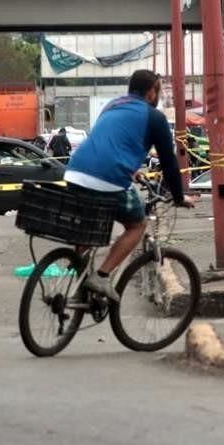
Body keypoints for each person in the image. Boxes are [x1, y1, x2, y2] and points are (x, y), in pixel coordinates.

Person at [65, 70, 196, 301]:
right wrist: (178, 197)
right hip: (108, 178)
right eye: (159, 90)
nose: (160, 96)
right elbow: (168, 162)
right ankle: (102, 276)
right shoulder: (154, 117)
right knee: (137, 225)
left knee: (88, 225)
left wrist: (132, 170)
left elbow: (110, 142)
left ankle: (82, 278)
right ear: (149, 93)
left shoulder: (112, 106)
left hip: (75, 172)